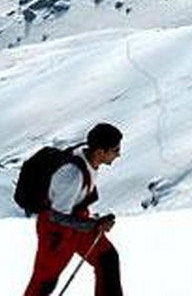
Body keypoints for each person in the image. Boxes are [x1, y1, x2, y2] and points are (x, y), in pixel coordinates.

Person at [23, 123, 124, 296]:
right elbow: (57, 216)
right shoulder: (72, 174)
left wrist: (94, 222)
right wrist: (93, 225)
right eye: (115, 150)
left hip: (77, 223)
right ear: (100, 152)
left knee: (107, 259)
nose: (118, 154)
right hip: (55, 233)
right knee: (44, 283)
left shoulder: (88, 158)